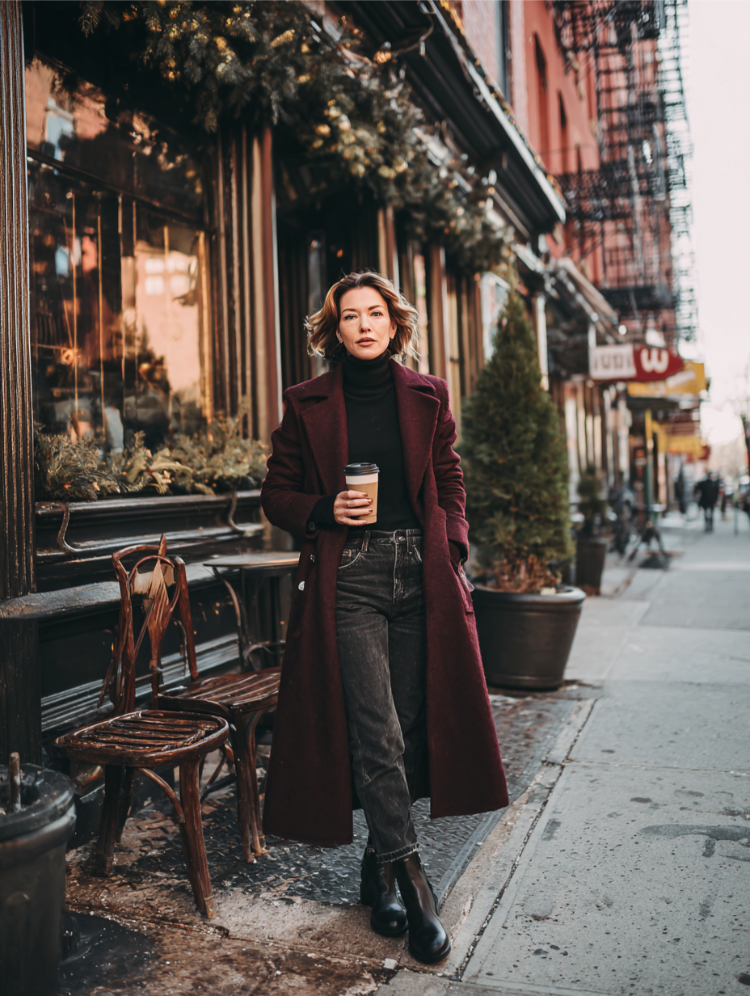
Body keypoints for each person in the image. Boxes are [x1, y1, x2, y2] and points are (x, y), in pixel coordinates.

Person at [260, 271, 508, 964]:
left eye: (376, 314)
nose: (364, 325)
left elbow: (450, 476)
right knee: (374, 731)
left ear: (395, 325)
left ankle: (377, 868)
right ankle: (414, 878)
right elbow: (275, 492)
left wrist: (455, 540)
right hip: (352, 577)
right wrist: (322, 510)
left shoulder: (429, 395)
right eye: (350, 316)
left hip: (421, 573)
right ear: (333, 330)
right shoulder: (306, 402)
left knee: (402, 729)